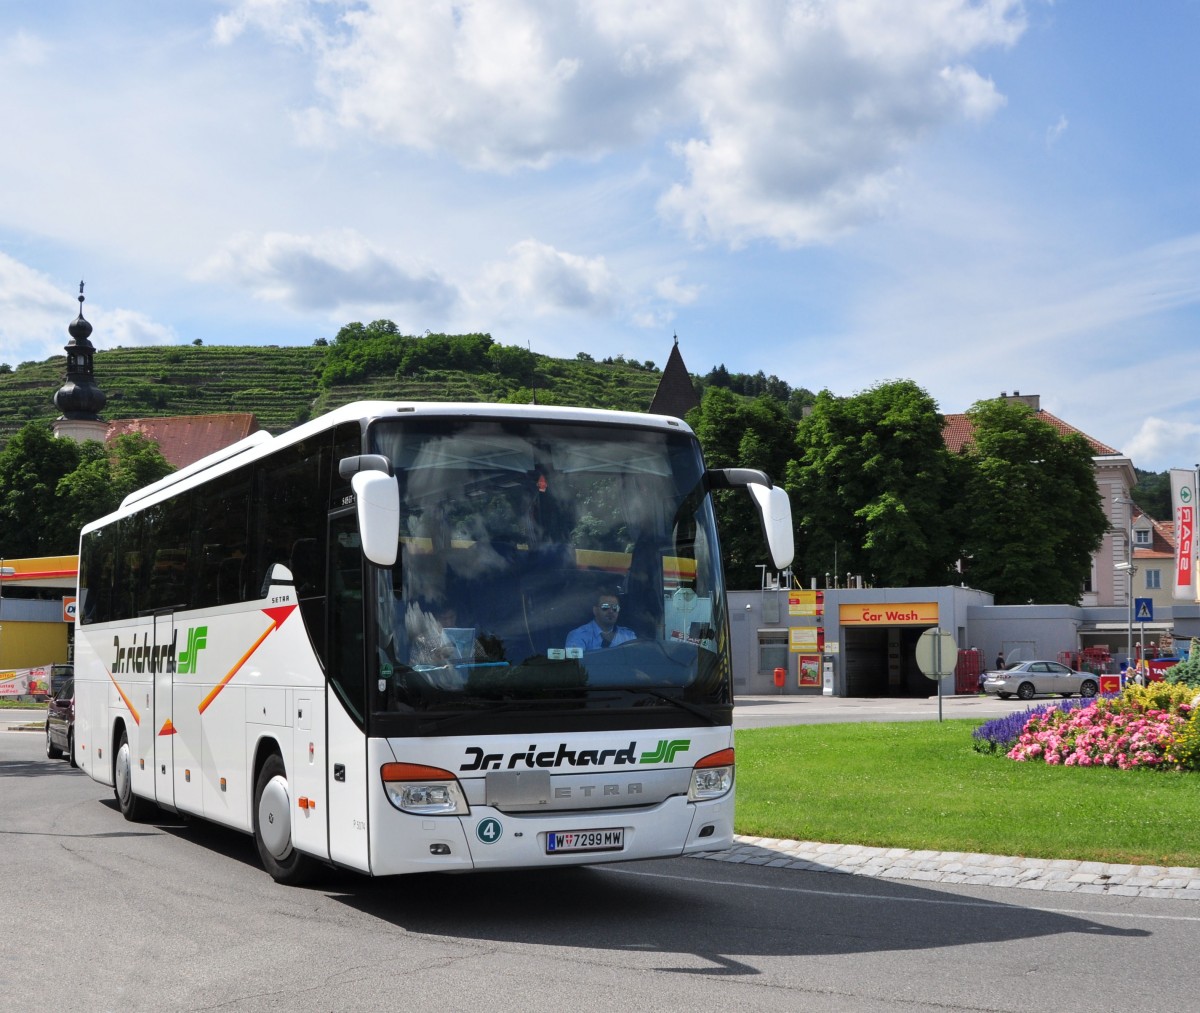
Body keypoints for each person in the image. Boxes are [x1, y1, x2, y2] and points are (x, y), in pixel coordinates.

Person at [566, 591, 636, 651]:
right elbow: (575, 664)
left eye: (615, 608)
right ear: (595, 610)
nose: (611, 611)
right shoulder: (578, 635)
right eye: (605, 607)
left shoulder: (629, 636)